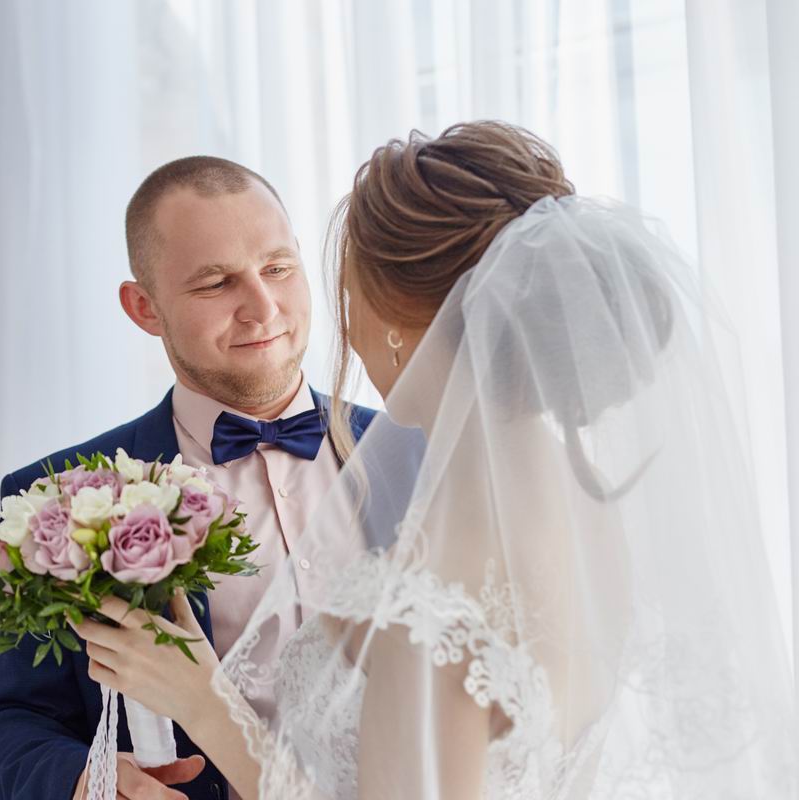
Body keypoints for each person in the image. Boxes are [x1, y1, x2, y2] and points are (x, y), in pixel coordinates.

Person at [74, 122, 799, 798]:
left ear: (397, 320)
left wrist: (204, 702)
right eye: (216, 282)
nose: (283, 311)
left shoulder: (426, 604)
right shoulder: (599, 518)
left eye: (324, 280)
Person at [0, 156, 425, 800]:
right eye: (216, 283)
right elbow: (12, 719)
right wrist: (82, 782)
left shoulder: (421, 450)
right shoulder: (56, 495)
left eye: (277, 269)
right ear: (143, 307)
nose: (263, 307)